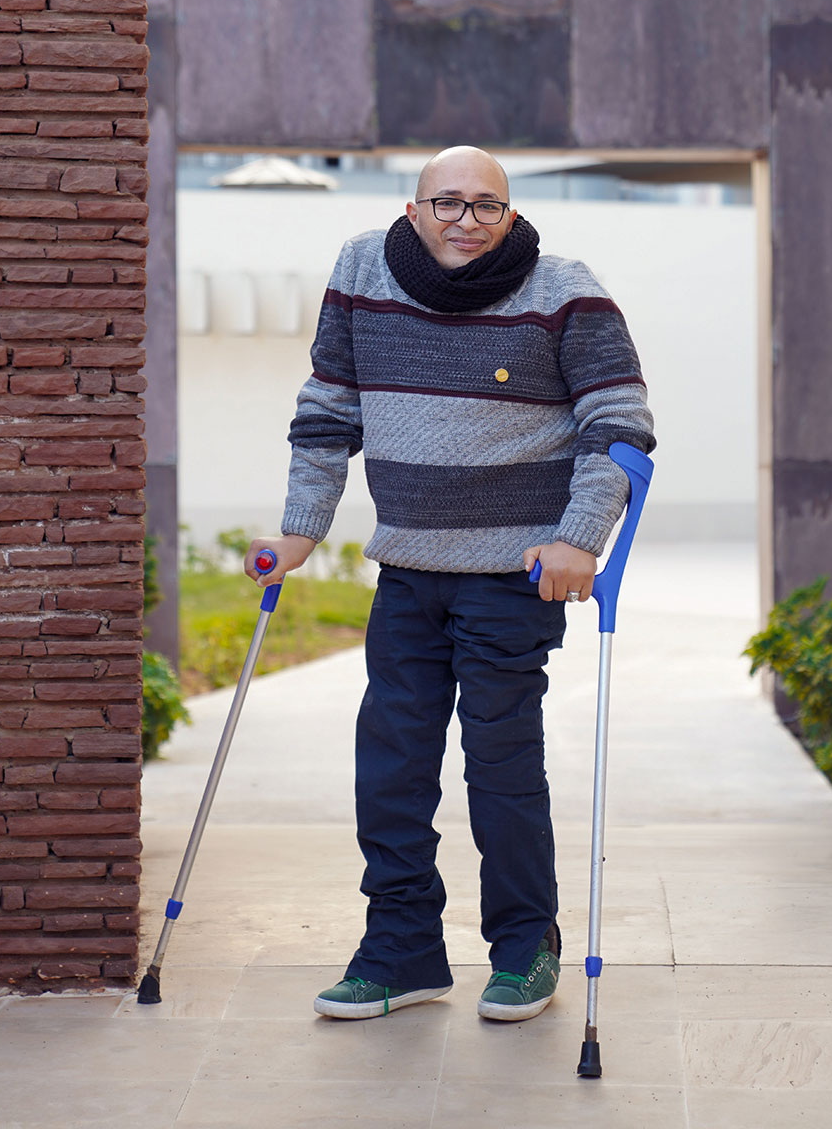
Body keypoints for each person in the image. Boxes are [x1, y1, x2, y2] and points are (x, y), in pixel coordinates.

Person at [245, 145, 655, 1022]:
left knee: (500, 768)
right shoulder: (363, 270)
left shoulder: (564, 290)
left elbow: (619, 425)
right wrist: (300, 529)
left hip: (513, 575)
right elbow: (328, 409)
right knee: (390, 767)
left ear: (510, 213)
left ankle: (525, 948)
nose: (466, 221)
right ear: (414, 208)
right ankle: (402, 953)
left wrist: (579, 539)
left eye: (485, 206)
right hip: (408, 570)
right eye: (448, 203)